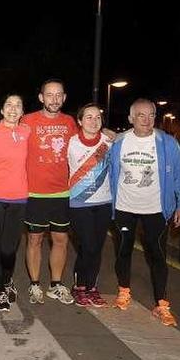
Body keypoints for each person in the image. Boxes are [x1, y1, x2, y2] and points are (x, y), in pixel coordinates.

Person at [109, 98, 180, 326]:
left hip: (156, 209)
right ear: (130, 118)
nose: (146, 120)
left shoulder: (167, 143)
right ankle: (124, 291)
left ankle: (162, 304)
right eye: (140, 115)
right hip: (124, 207)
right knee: (123, 251)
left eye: (151, 115)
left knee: (157, 256)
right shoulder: (119, 142)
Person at [22, 79, 78, 305]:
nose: (54, 99)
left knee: (61, 239)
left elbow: (87, 142)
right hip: (34, 193)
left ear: (64, 98)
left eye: (58, 95)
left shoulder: (70, 122)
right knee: (34, 239)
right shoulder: (28, 121)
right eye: (49, 95)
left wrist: (113, 135)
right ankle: (34, 284)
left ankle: (56, 284)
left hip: (62, 193)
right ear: (41, 97)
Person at [0, 94, 30, 311]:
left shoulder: (27, 132)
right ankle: (0, 290)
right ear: (1, 110)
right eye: (8, 105)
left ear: (22, 111)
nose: (13, 109)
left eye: (17, 105)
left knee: (9, 249)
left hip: (19, 198)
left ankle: (7, 279)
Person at [67, 103, 112, 308]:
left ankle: (92, 287)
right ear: (79, 121)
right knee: (87, 246)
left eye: (98, 118)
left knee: (97, 248)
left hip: (104, 202)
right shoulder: (71, 143)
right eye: (89, 117)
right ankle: (79, 287)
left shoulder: (109, 141)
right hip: (78, 203)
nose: (94, 122)